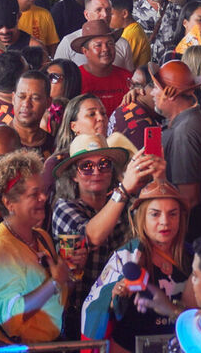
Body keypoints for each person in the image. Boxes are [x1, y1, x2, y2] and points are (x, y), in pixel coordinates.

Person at [51, 133, 159, 339]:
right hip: (81, 316)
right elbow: (92, 237)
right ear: (74, 175)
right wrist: (124, 189)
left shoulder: (127, 204)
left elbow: (159, 228)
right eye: (86, 166)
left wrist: (158, 178)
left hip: (124, 311)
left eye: (104, 164)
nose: (96, 171)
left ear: (112, 171)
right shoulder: (65, 207)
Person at [82, 180, 192, 353]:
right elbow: (97, 307)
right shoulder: (125, 258)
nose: (165, 222)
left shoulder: (193, 258)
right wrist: (115, 295)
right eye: (155, 214)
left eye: (173, 214)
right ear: (141, 217)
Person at [0, 149, 69, 345]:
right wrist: (54, 283)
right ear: (9, 203)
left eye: (43, 191)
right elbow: (10, 317)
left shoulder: (41, 237)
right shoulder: (0, 249)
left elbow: (57, 296)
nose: (43, 198)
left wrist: (68, 273)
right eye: (34, 194)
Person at [154, 60, 201, 238]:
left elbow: (189, 198)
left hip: (184, 236)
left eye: (156, 88)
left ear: (170, 94)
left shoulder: (185, 132)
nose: (152, 93)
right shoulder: (186, 120)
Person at [74, 19, 134, 115]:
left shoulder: (127, 78)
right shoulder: (75, 79)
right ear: (85, 51)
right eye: (98, 45)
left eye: (110, 44)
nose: (105, 49)